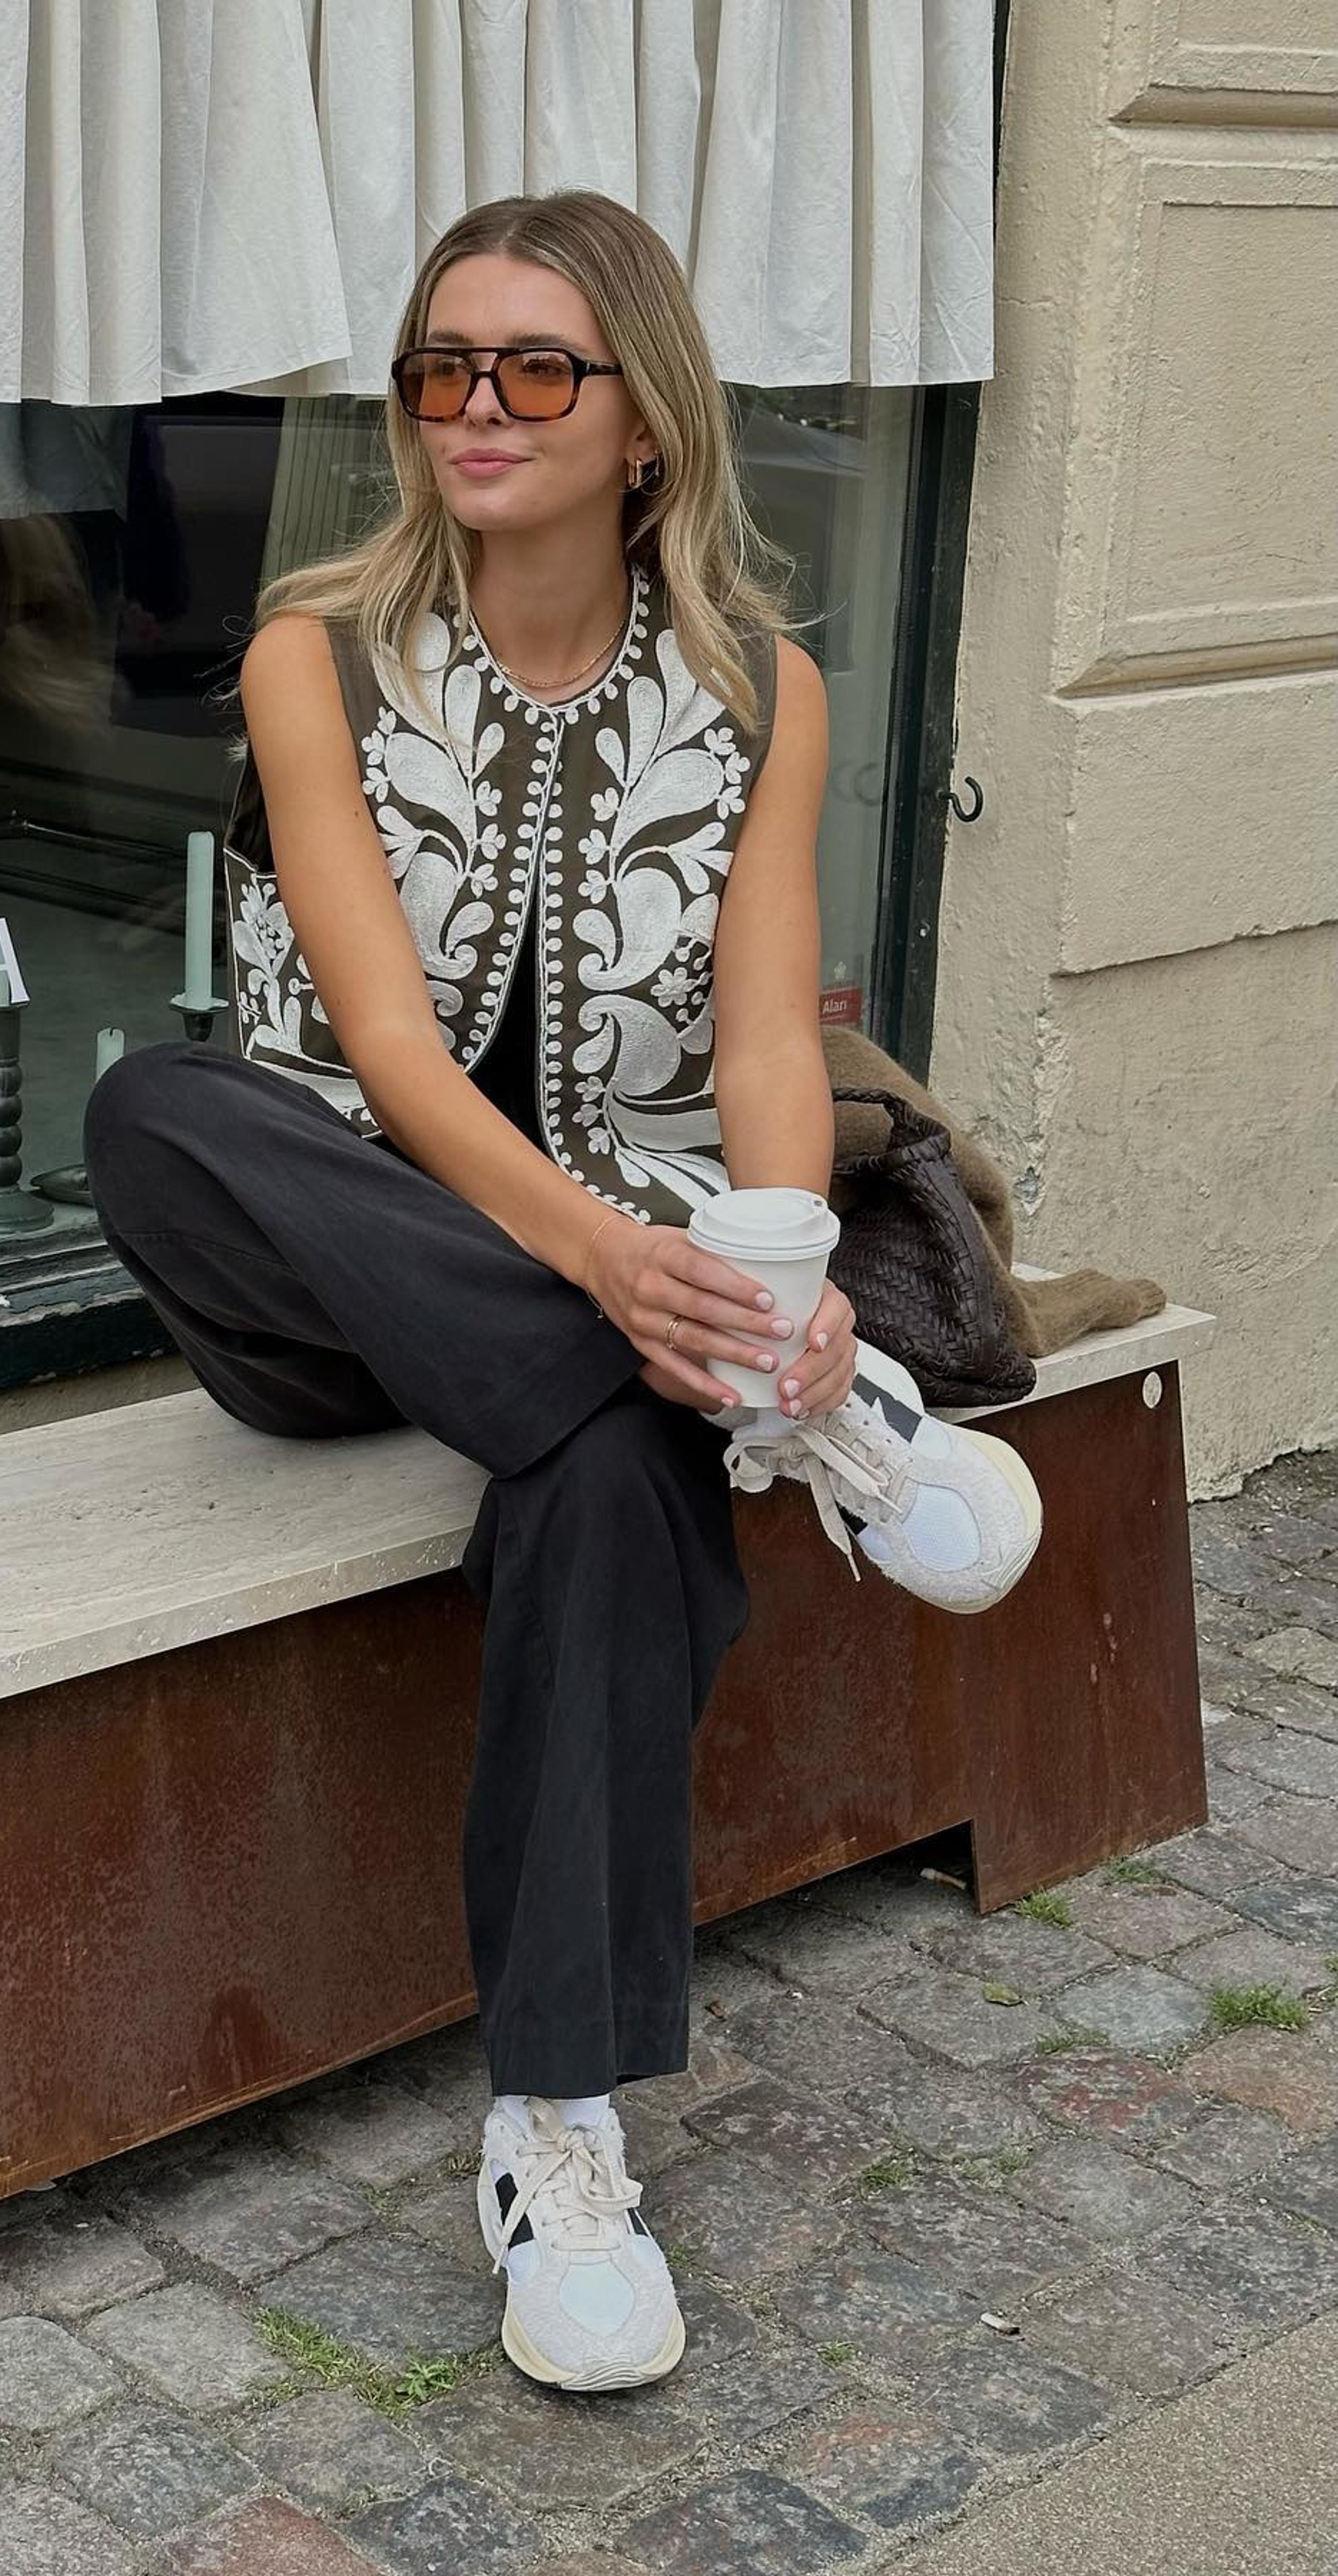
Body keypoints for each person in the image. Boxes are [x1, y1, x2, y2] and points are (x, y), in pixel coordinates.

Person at [82, 191, 1040, 2396]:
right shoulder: (314, 659)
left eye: (535, 367)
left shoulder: (764, 694)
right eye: (443, 367)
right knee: (155, 1111)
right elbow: (389, 1056)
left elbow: (770, 1039)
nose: (477, 407)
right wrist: (625, 1273)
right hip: (345, 1279)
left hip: (635, 1323)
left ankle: (556, 2127)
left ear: (645, 421)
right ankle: (774, 1415)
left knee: (610, 1464)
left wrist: (776, 1270)